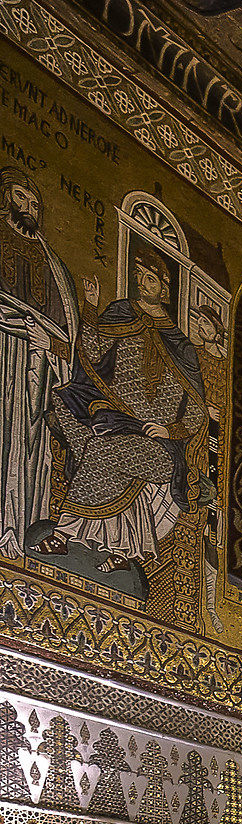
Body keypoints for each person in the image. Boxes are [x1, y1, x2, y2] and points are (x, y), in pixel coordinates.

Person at [44, 244, 205, 574]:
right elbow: (90, 353)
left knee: (102, 450)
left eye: (151, 279)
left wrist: (169, 431)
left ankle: (65, 533)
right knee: (84, 429)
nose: (143, 284)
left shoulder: (182, 346)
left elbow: (197, 412)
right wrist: (90, 307)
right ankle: (126, 549)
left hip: (159, 445)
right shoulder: (120, 313)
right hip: (113, 419)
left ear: (165, 287)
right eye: (139, 278)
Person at [0, 167, 73, 558]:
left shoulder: (51, 262)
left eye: (34, 202)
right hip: (2, 353)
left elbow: (68, 332)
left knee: (29, 444)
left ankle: (20, 525)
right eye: (20, 197)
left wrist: (50, 342)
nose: (29, 207)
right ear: (5, 198)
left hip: (35, 365)